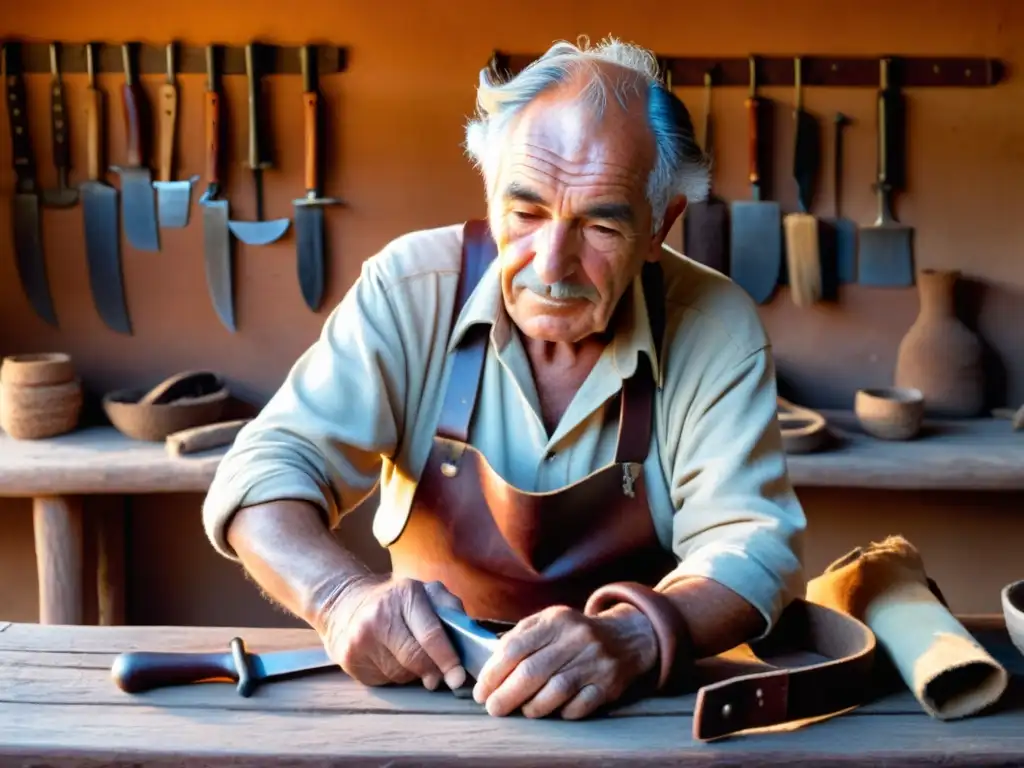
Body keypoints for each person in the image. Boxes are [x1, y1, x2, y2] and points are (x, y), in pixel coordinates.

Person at [202, 36, 806, 722]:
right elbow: (265, 470)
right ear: (491, 196)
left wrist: (636, 635)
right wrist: (340, 599)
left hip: (632, 722)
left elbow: (754, 546)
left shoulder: (714, 325)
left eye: (600, 226)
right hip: (422, 706)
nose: (553, 263)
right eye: (525, 214)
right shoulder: (411, 289)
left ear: (659, 226)